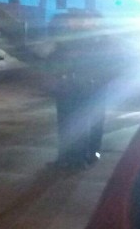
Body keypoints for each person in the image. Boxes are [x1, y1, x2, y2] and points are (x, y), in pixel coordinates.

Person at [47, 10, 120, 169]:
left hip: (90, 86)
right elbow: (56, 59)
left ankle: (86, 156)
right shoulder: (68, 38)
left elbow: (108, 63)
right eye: (72, 20)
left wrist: (97, 79)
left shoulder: (100, 39)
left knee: (88, 122)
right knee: (66, 122)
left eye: (77, 20)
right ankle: (66, 157)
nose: (72, 23)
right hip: (68, 86)